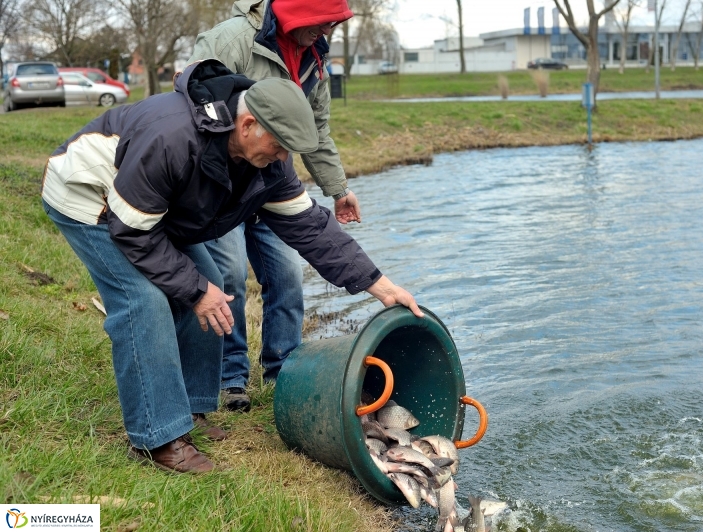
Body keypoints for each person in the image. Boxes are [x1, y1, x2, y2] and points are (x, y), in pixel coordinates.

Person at [41, 59, 423, 473]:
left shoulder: (268, 161)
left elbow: (313, 230)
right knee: (145, 301)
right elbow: (133, 231)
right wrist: (193, 290)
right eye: (278, 146)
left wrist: (380, 286)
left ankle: (190, 411)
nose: (282, 157)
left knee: (213, 284)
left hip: (152, 211)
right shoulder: (172, 138)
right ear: (247, 126)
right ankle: (158, 437)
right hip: (90, 198)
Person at [187, 0, 358, 412]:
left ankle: (286, 374)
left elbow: (315, 129)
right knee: (226, 276)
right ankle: (230, 379)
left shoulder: (315, 56)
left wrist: (337, 189)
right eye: (322, 22)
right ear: (299, 12)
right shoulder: (230, 40)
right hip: (224, 181)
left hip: (272, 180)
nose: (328, 31)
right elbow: (192, 101)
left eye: (332, 24)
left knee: (287, 276)